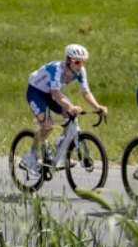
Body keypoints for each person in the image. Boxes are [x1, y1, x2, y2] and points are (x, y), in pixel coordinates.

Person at [24, 44, 107, 175]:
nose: (80, 65)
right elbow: (56, 94)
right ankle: (30, 158)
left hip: (51, 93)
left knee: (70, 117)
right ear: (68, 60)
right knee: (47, 126)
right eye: (77, 62)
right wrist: (70, 106)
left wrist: (97, 107)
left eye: (83, 62)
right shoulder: (57, 69)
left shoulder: (80, 71)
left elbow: (86, 92)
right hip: (36, 92)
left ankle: (60, 149)